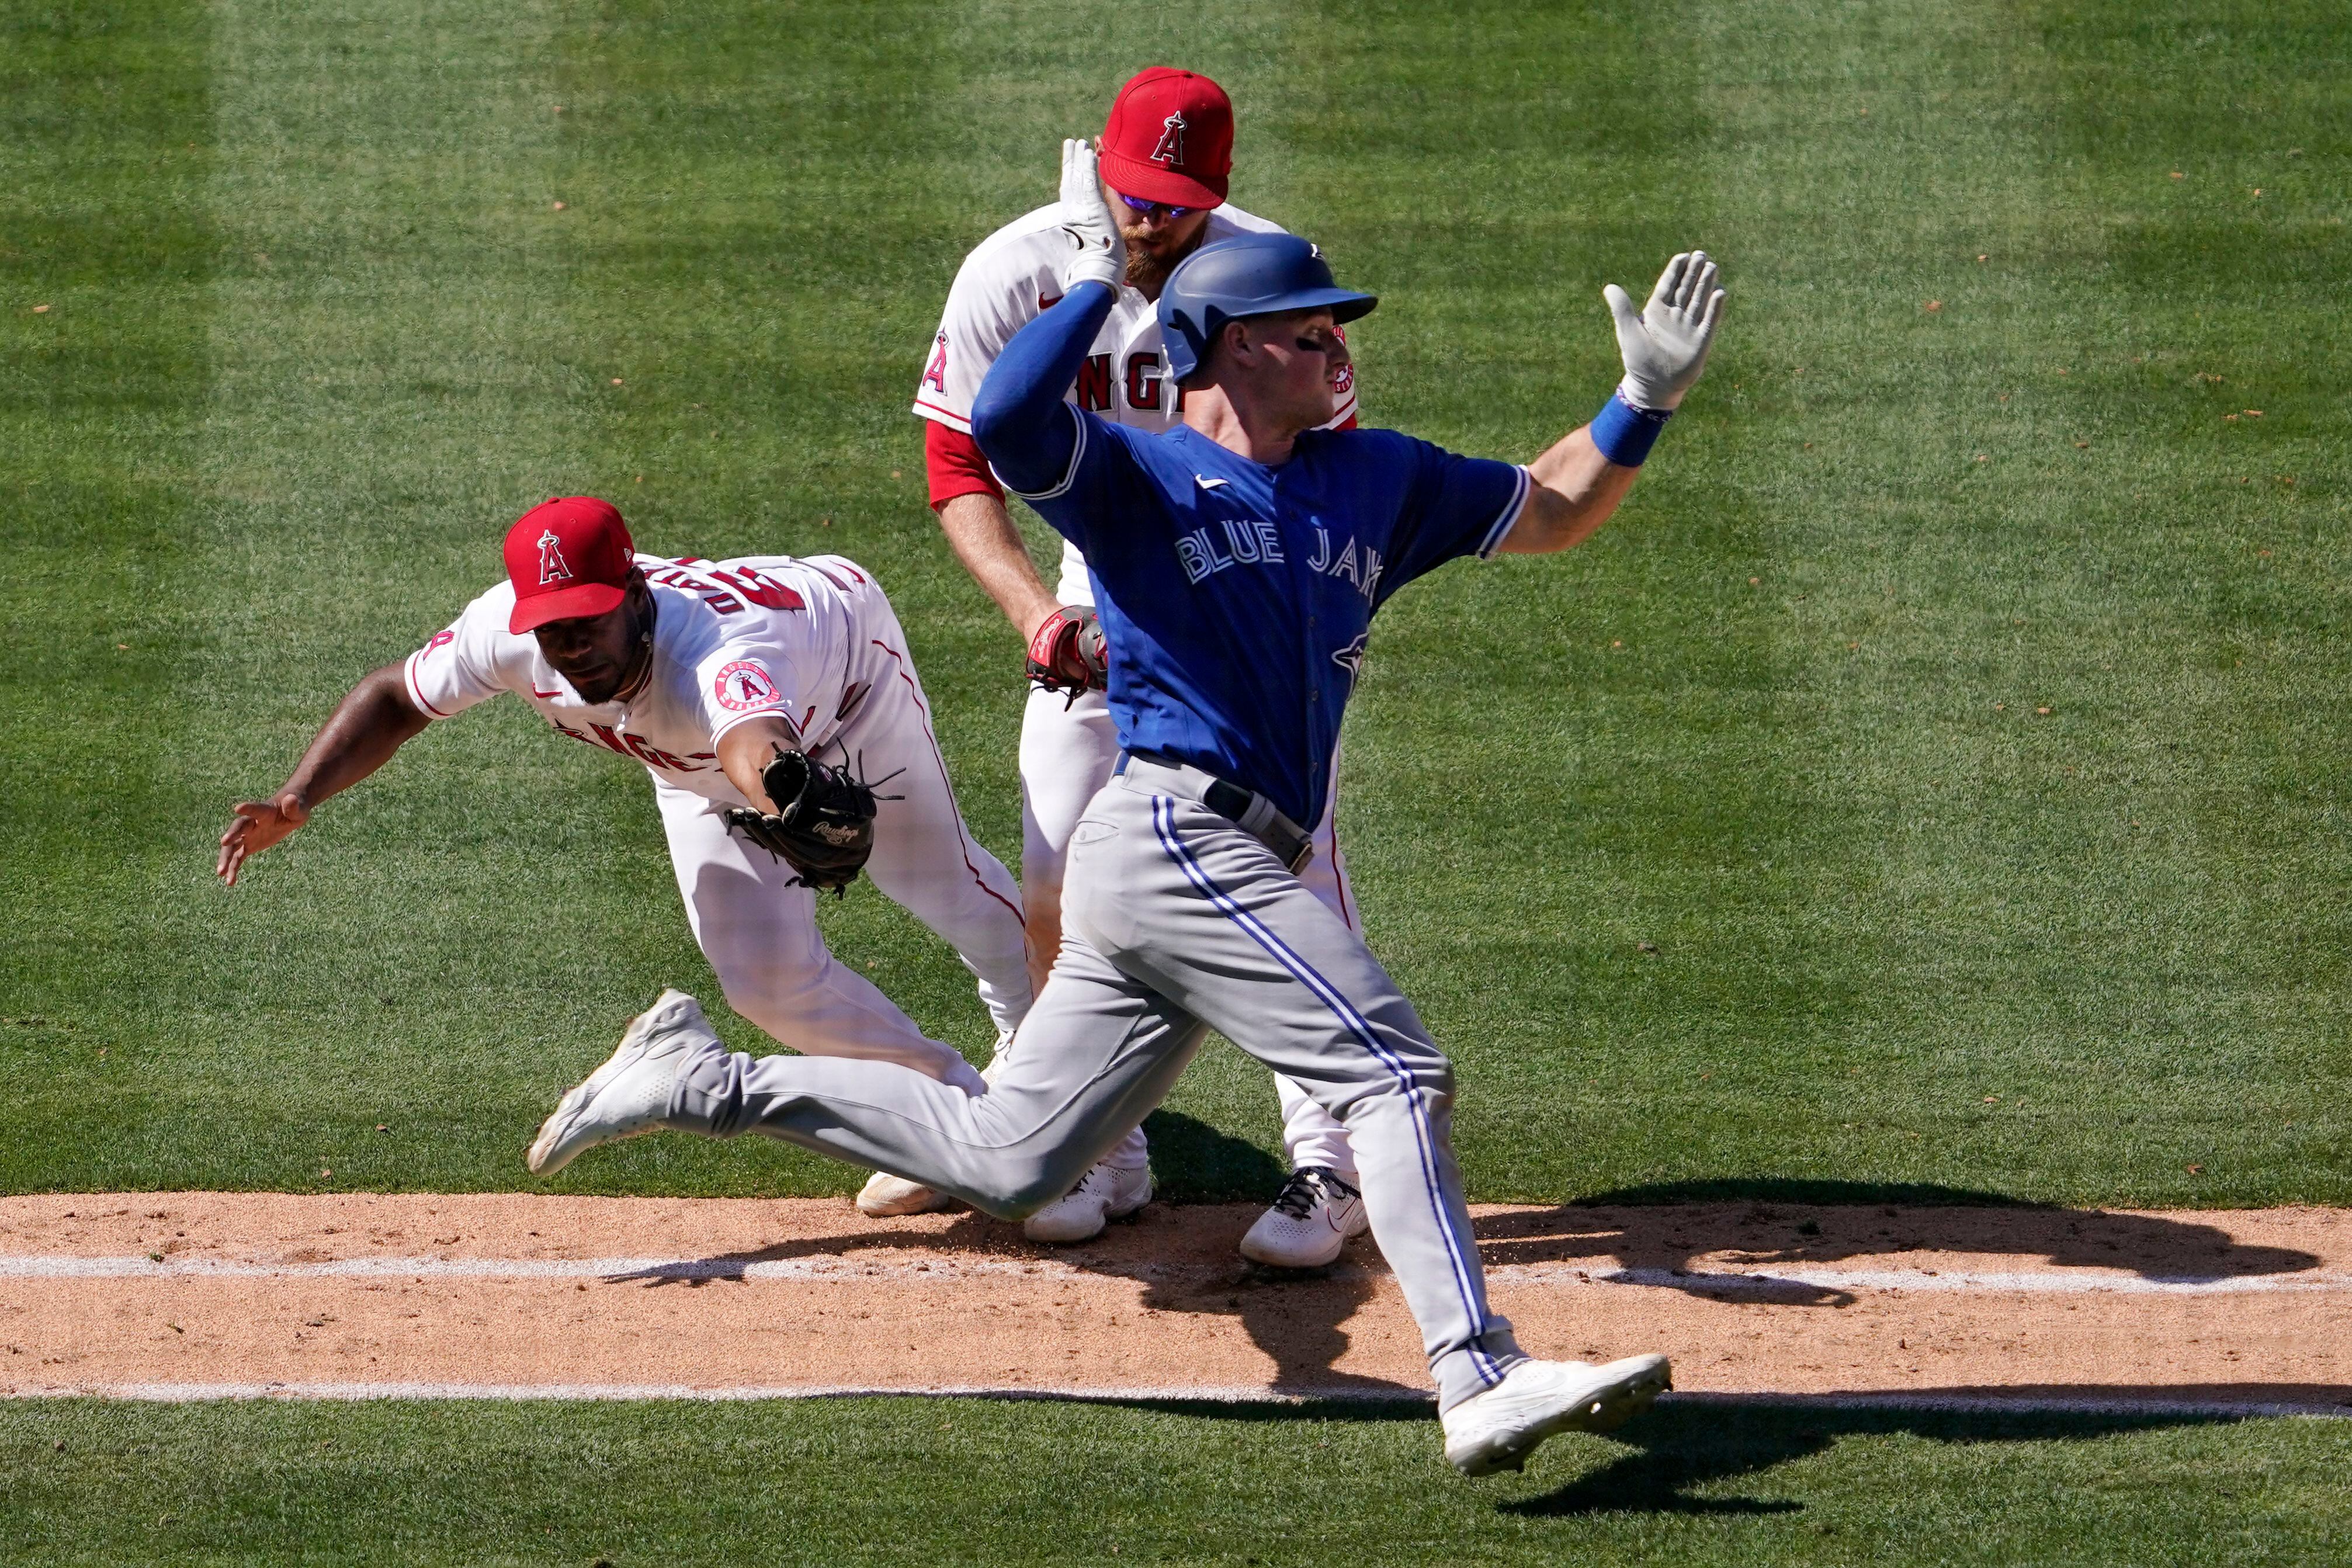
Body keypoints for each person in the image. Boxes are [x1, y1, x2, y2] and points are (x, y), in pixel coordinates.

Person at [525, 141, 1723, 1476]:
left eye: (1336, 325)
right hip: (1174, 837)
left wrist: (1641, 400)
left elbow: (1550, 506)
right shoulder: (1141, 477)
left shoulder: (1373, 477)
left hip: (1189, 862)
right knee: (1390, 1069)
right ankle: (1480, 1373)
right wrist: (1092, 291)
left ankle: (703, 1078)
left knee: (1014, 1158)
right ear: (1227, 345)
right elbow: (1005, 430)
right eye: (1306, 325)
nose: (1338, 343)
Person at [910, 65, 1371, 1257]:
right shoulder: (1015, 274)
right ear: (1100, 171)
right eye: (1135, 196)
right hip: (1091, 587)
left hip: (1247, 587)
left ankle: (1333, 1163)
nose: (1151, 222)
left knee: (1289, 873)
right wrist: (1038, 620)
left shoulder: (1275, 279)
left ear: (1217, 192)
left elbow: (1328, 473)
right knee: (1055, 879)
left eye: (1178, 203)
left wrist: (1275, 621)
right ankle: (1102, 1147)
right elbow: (958, 468)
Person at [218, 498, 1031, 1169]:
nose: (570, 646)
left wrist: (784, 791)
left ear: (635, 593)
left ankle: (1067, 1100)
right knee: (765, 981)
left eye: (588, 620)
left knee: (937, 880)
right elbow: (398, 696)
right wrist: (298, 797)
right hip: (691, 761)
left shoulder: (715, 656)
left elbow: (751, 737)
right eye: (551, 626)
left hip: (844, 680)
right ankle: (950, 1113)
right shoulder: (506, 632)